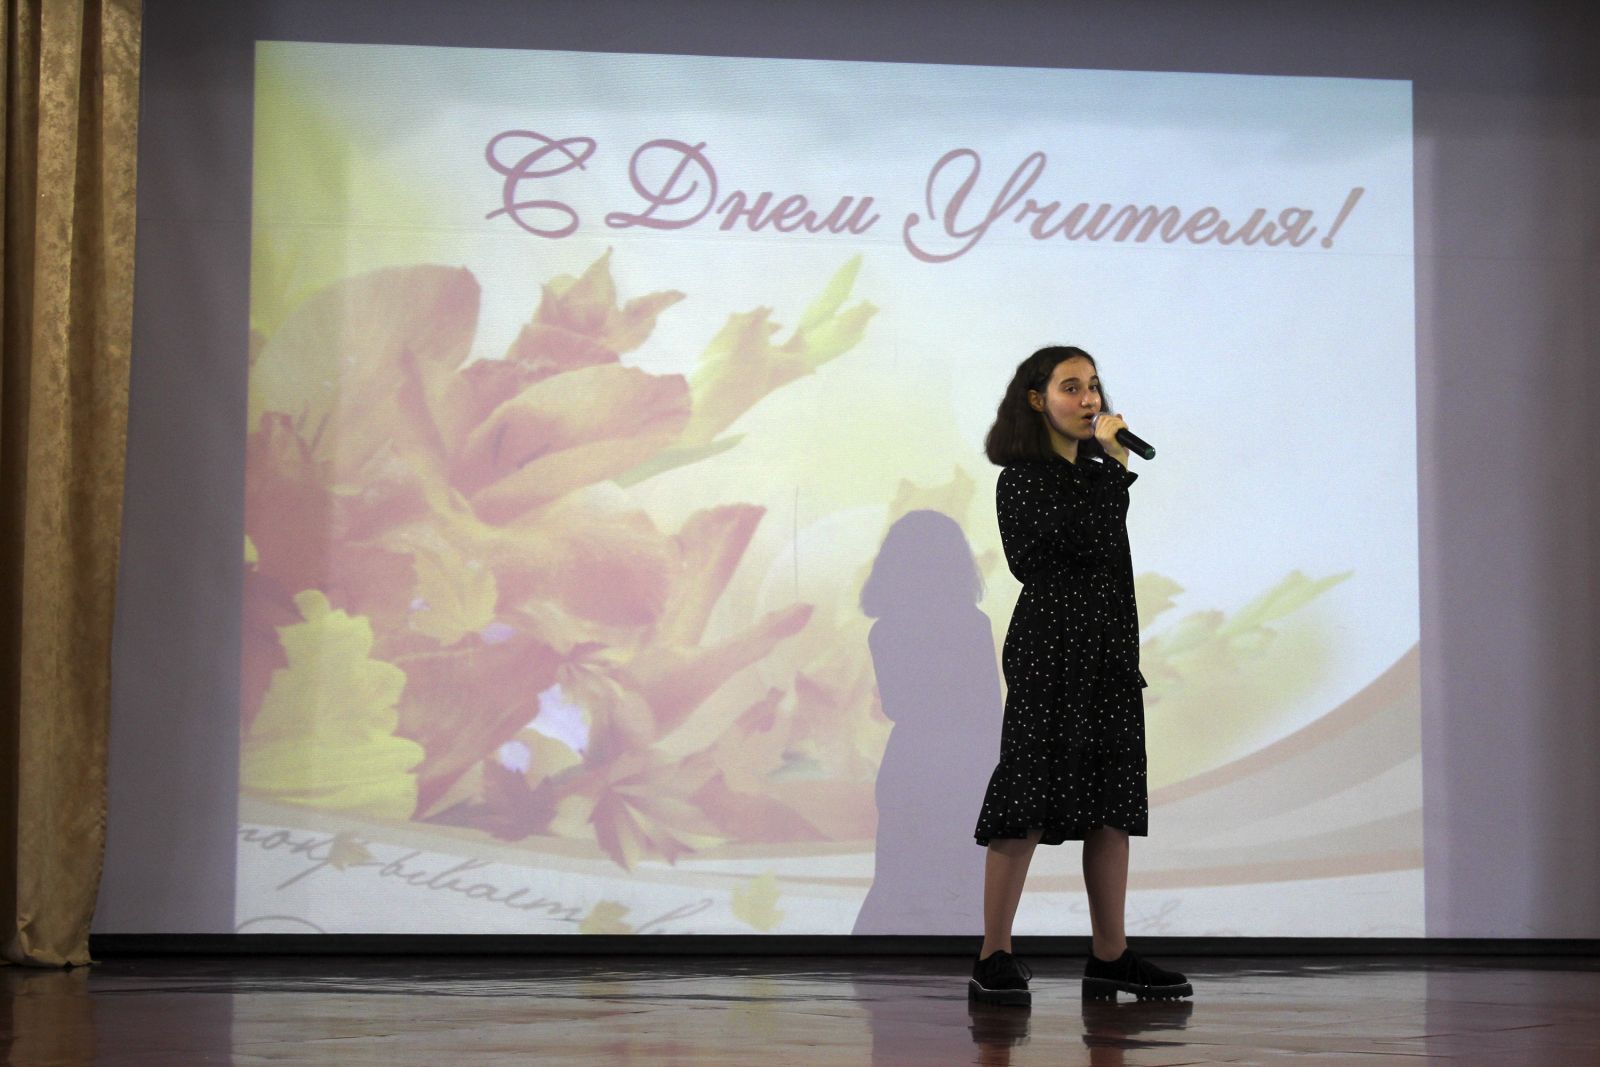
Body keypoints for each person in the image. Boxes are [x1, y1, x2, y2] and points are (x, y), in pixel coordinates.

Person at [967, 345, 1191, 1006]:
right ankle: (994, 954)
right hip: (1049, 652)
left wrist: (1108, 471)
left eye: (1093, 385)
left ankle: (1110, 956)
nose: (1089, 398)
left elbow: (1107, 563)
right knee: (1026, 801)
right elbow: (1060, 551)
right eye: (1071, 386)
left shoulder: (1098, 476)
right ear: (1037, 399)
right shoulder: (1023, 479)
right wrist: (1115, 470)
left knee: (1112, 806)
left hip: (1108, 655)